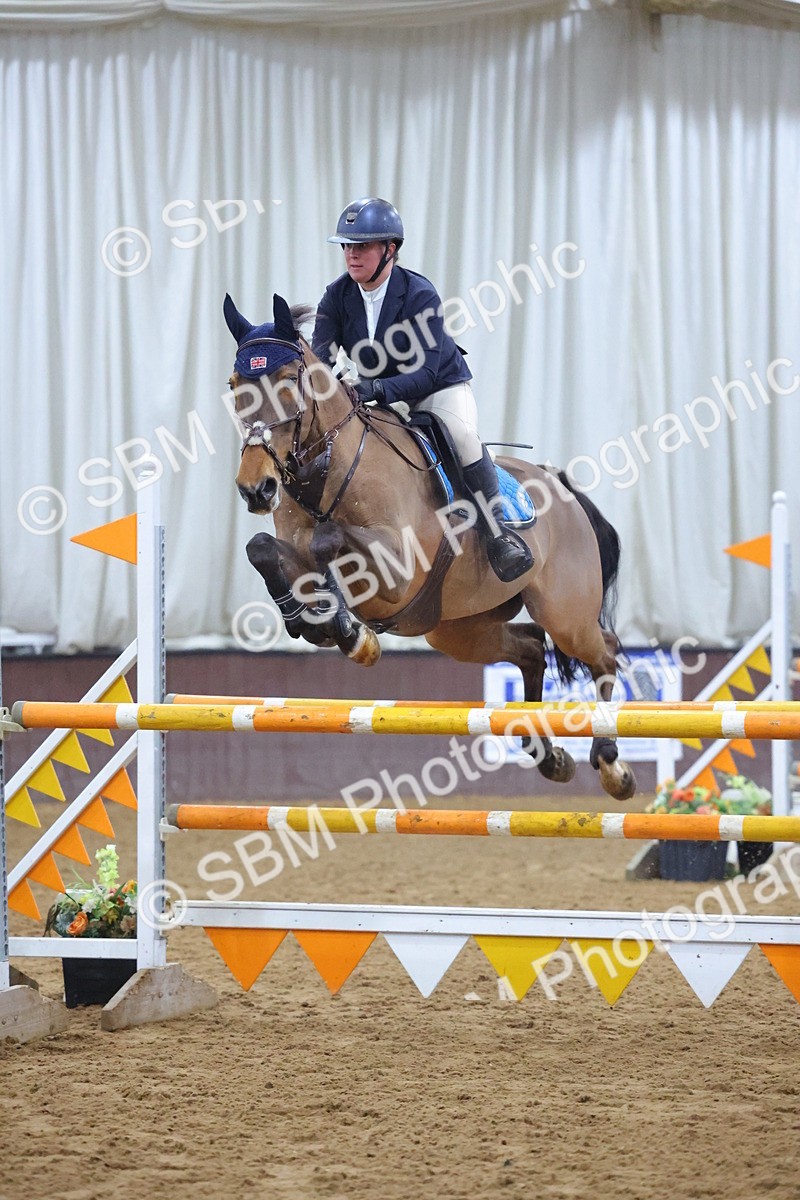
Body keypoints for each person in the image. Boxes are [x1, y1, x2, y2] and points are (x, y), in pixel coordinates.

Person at [311, 196, 533, 583]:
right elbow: (321, 358)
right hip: (375, 395)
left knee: (462, 436)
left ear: (390, 249)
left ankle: (500, 534)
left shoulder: (418, 294)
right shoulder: (337, 296)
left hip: (437, 388)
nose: (351, 255)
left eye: (362, 246)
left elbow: (427, 373)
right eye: (347, 246)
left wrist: (372, 387)